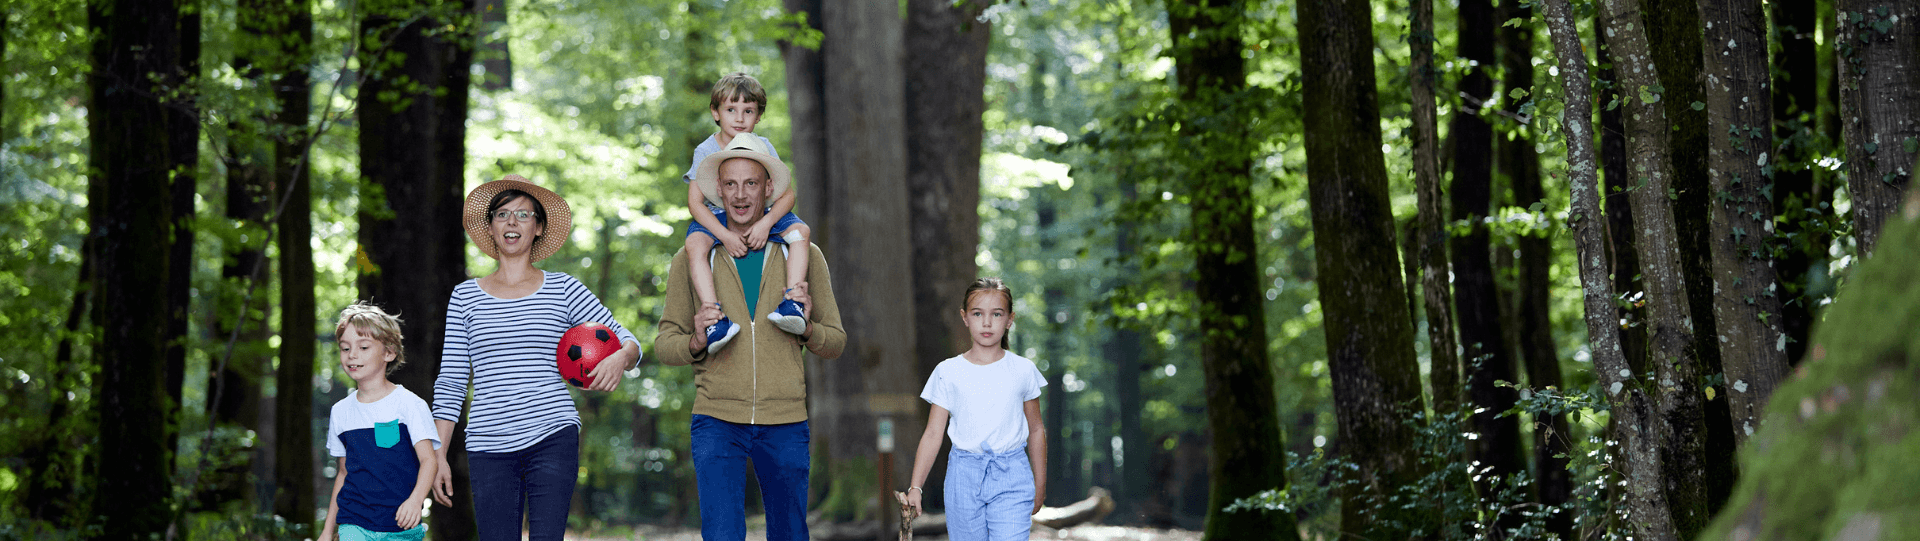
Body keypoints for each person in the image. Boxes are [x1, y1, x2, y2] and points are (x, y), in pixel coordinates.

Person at [430, 175, 643, 541]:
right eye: (502, 214)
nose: (512, 222)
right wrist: (436, 456)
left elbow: (629, 342)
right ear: (491, 227)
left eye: (524, 214)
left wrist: (621, 359)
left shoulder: (563, 288)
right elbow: (450, 381)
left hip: (552, 433)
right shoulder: (464, 297)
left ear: (539, 227)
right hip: (487, 443)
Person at [655, 139, 845, 541]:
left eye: (751, 184)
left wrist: (809, 328)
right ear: (718, 190)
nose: (741, 195)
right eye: (731, 184)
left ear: (769, 189)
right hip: (716, 420)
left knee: (791, 534)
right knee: (722, 535)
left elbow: (835, 342)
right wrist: (696, 340)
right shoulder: (691, 257)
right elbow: (665, 344)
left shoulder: (803, 253)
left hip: (786, 422)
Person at [903, 278, 1048, 541]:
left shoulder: (1023, 370)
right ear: (965, 317)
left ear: (1010, 319)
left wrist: (1040, 484)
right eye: (978, 313)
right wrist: (916, 487)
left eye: (997, 314)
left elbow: (1036, 429)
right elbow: (934, 433)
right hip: (963, 477)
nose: (987, 322)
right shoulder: (948, 372)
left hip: (1012, 474)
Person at [681, 72, 814, 354]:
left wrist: (767, 222)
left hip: (761, 214)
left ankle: (793, 301)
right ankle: (714, 317)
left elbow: (787, 194)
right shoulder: (705, 149)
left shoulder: (763, 146)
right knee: (694, 245)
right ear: (716, 113)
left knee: (801, 232)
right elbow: (695, 204)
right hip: (718, 218)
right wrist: (724, 235)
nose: (739, 119)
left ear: (759, 116)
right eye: (731, 110)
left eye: (748, 111)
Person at [319, 302, 440, 541]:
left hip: (401, 526)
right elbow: (343, 473)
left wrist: (416, 501)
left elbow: (429, 461)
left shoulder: (409, 405)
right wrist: (326, 532)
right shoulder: (340, 412)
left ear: (389, 352)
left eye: (363, 347)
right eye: (345, 348)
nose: (352, 355)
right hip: (354, 523)